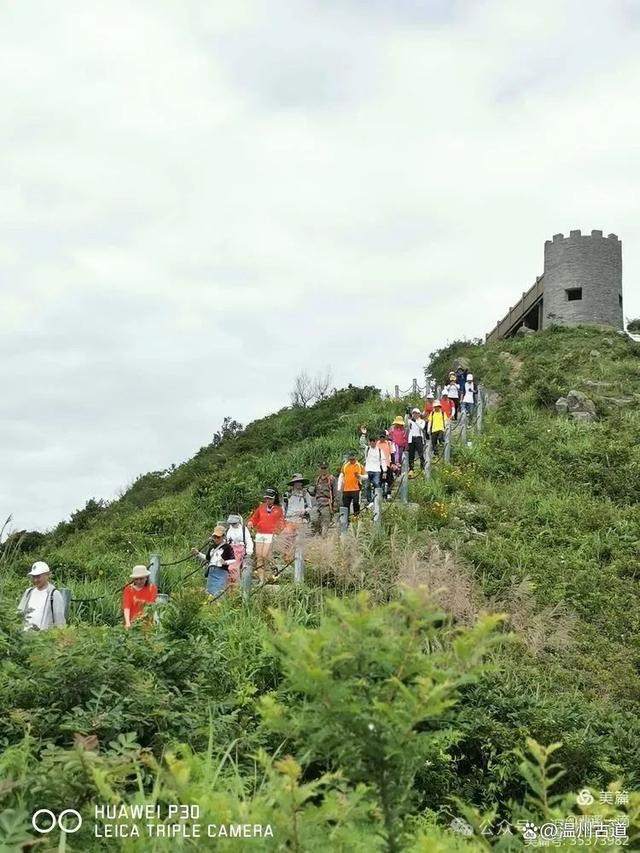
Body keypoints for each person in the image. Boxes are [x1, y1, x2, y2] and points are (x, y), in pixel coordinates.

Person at [247, 488, 285, 582]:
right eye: (267, 498)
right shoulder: (261, 507)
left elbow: (281, 523)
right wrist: (251, 522)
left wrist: (277, 532)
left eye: (270, 498)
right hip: (260, 534)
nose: (268, 500)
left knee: (265, 555)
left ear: (274, 498)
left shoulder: (279, 509)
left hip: (270, 535)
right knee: (259, 557)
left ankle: (269, 574)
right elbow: (254, 518)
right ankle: (261, 580)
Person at [17, 561, 66, 631]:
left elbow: (60, 622)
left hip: (43, 639)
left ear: (47, 575)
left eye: (38, 576)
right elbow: (20, 613)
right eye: (33, 577)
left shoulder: (54, 594)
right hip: (25, 638)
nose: (35, 580)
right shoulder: (29, 592)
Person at [193, 525, 236, 597]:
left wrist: (225, 562)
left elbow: (233, 559)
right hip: (211, 572)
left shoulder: (227, 547)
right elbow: (207, 558)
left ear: (223, 536)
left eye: (218, 537)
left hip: (221, 572)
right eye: (215, 537)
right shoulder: (212, 547)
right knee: (210, 593)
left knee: (219, 593)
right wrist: (198, 554)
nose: (216, 539)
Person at [283, 474, 312, 557]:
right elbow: (283, 507)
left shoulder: (305, 494)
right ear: (294, 484)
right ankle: (287, 558)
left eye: (300, 482)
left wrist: (304, 511)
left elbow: (310, 507)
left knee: (299, 541)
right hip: (289, 520)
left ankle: (299, 558)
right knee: (288, 540)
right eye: (297, 482)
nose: (299, 484)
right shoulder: (287, 494)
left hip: (301, 520)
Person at [226, 514, 254, 584]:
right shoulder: (229, 530)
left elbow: (248, 540)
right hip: (231, 550)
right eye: (231, 523)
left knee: (233, 567)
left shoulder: (243, 529)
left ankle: (236, 583)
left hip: (240, 551)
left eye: (234, 523)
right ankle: (230, 583)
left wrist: (249, 551)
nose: (233, 525)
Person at [339, 450, 366, 519]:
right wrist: (339, 488)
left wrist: (360, 476)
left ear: (355, 458)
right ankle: (346, 520)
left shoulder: (360, 466)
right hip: (346, 489)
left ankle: (356, 517)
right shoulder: (345, 466)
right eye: (350, 459)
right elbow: (341, 476)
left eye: (353, 459)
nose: (352, 460)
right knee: (345, 505)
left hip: (356, 489)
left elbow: (366, 476)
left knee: (356, 504)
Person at [314, 463, 336, 535]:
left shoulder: (331, 479)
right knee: (314, 519)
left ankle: (324, 539)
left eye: (325, 468)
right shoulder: (317, 479)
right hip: (317, 504)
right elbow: (315, 492)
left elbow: (335, 493)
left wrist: (334, 507)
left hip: (327, 504)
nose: (323, 470)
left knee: (325, 522)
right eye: (322, 468)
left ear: (327, 469)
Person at [365, 435, 387, 503]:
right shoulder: (367, 449)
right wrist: (363, 433)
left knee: (376, 484)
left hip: (376, 470)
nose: (372, 443)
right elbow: (362, 443)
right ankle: (369, 500)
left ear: (376, 442)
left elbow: (383, 461)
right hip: (368, 470)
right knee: (367, 486)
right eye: (371, 441)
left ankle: (378, 498)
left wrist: (384, 471)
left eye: (373, 441)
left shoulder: (380, 451)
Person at [407, 407, 426, 476]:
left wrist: (415, 421)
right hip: (411, 438)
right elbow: (407, 424)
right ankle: (411, 469)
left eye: (416, 413)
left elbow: (421, 428)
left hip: (419, 437)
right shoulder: (410, 421)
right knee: (411, 454)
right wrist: (407, 414)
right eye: (414, 413)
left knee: (421, 453)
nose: (415, 415)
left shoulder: (422, 421)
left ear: (419, 414)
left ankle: (422, 467)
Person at [377, 431, 394, 497]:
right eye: (381, 437)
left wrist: (393, 463)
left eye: (383, 437)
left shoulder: (389, 443)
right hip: (379, 465)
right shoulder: (377, 444)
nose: (382, 438)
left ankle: (389, 493)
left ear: (385, 437)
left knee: (390, 480)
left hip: (387, 464)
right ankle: (379, 494)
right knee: (380, 480)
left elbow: (392, 454)